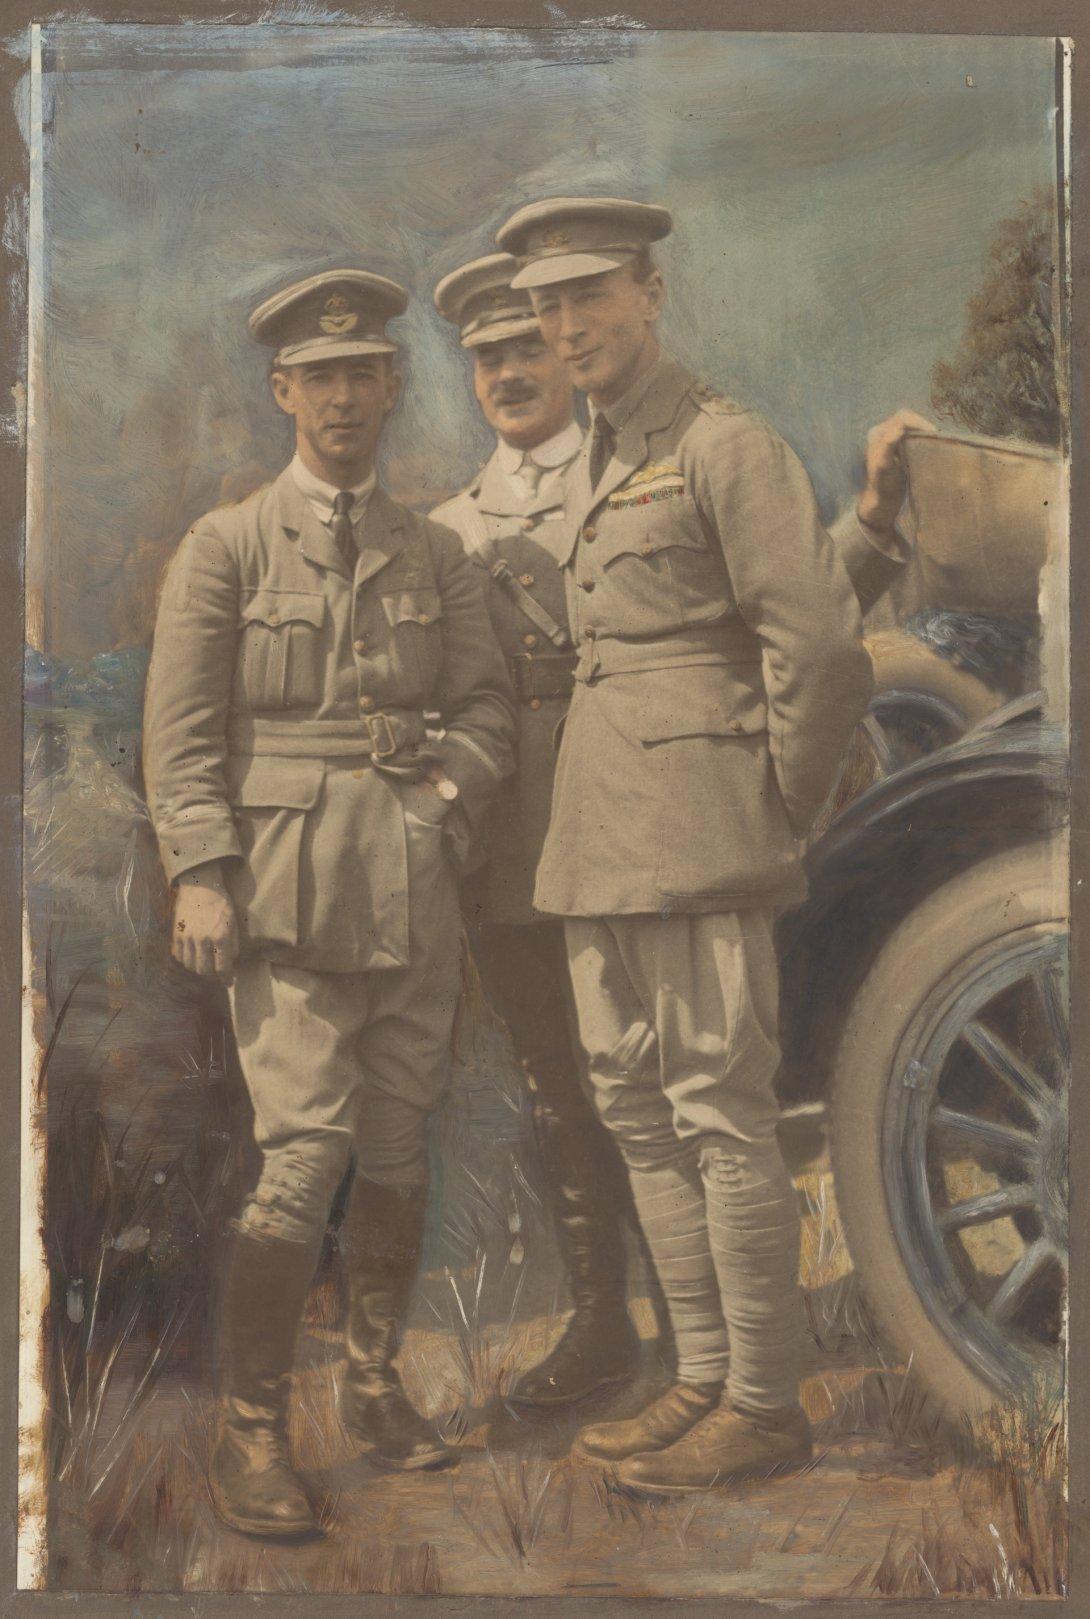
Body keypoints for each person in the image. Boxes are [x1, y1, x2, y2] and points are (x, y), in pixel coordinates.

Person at [494, 195, 919, 1494]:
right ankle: (700, 1375)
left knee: (719, 1116)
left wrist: (775, 804)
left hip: (695, 834)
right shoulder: (609, 451)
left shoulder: (722, 443)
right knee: (636, 1111)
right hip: (598, 839)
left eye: (590, 295)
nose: (567, 325)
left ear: (650, 291)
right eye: (547, 305)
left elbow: (817, 648)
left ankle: (763, 1400)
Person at [143, 269, 515, 1536]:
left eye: (364, 374)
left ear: (392, 388)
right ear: (282, 391)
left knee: (399, 1148)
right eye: (320, 377)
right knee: (304, 1159)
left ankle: (370, 1384)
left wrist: (448, 793)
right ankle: (253, 1428)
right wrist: (201, 868)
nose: (344, 397)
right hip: (286, 898)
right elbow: (181, 732)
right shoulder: (228, 546)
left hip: (411, 889)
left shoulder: (435, 550)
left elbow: (485, 705)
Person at [431, 252, 673, 1406]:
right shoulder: (447, 527)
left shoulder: (632, 479)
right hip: (515, 846)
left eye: (528, 344)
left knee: (659, 1064)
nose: (510, 372)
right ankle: (601, 1322)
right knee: (556, 1079)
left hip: (633, 810)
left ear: (564, 352)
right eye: (488, 356)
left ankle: (708, 1323)